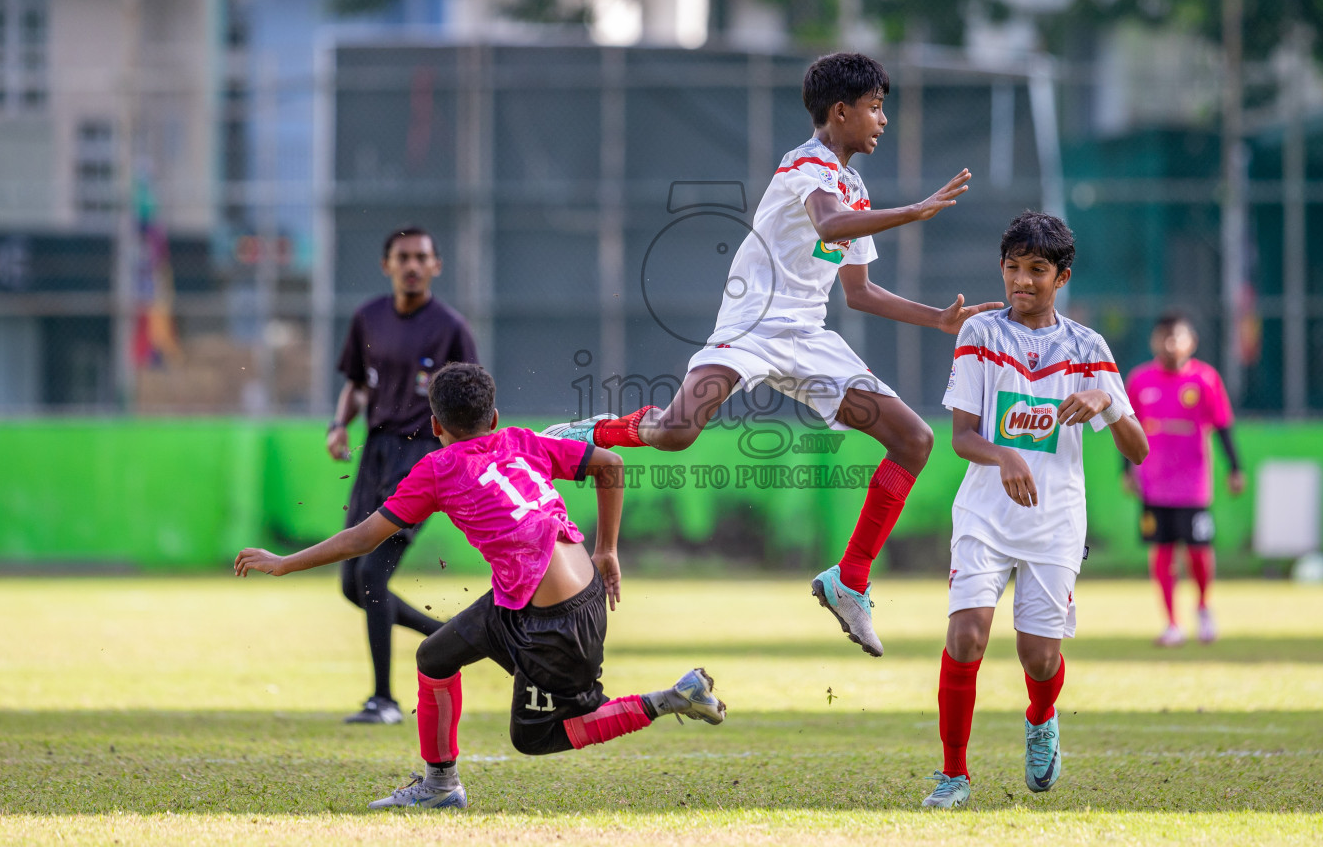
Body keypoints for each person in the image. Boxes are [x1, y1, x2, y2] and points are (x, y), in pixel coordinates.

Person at [543, 52, 999, 657]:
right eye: (875, 107)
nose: (882, 120)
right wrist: (913, 212)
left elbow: (858, 292)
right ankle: (583, 436)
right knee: (678, 432)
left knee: (914, 440)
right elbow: (831, 226)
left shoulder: (854, 184)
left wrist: (936, 318)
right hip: (753, 328)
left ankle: (850, 582)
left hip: (809, 341)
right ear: (841, 111)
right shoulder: (805, 164)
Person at [236, 362, 725, 809]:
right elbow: (610, 465)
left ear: (435, 426)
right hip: (547, 595)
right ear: (494, 417)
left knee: (537, 736)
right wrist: (607, 550)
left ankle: (671, 697)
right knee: (434, 656)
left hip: (554, 624)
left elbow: (362, 538)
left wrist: (284, 562)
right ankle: (440, 787)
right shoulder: (521, 440)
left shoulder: (435, 468)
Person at [922, 212, 1149, 808]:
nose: (1022, 281)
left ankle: (1042, 718)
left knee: (1038, 655)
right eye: (1013, 268)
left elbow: (1139, 449)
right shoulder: (980, 335)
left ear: (1061, 276)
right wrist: (1004, 459)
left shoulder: (1087, 349)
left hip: (1055, 522)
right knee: (967, 635)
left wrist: (1106, 400)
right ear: (1002, 269)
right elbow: (963, 436)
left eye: (1037, 270)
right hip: (984, 515)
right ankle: (953, 775)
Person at [328, 227, 478, 724]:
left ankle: (384, 701)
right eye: (403, 257)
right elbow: (355, 383)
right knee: (352, 585)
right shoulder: (366, 317)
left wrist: (466, 461)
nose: (412, 265)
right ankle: (454, 633)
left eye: (421, 257)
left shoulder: (451, 328)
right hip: (374, 453)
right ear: (386, 264)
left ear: (437, 265)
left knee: (372, 574)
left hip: (421, 458)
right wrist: (337, 426)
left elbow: (474, 401)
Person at [1123, 312, 1244, 647]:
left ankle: (1204, 607)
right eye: (1164, 336)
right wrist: (1126, 470)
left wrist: (1235, 468)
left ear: (1191, 341)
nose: (1170, 343)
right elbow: (1127, 428)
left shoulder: (1205, 379)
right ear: (1154, 341)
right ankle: (1172, 623)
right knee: (1161, 551)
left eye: (1177, 337)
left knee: (1198, 551)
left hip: (1192, 486)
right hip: (1153, 483)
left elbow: (1223, 426)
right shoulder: (1140, 380)